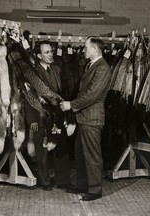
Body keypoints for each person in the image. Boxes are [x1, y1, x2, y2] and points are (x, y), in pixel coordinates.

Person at [59, 37, 111, 201]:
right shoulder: (91, 65)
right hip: (84, 118)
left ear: (95, 48)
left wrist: (71, 105)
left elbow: (92, 95)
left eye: (86, 47)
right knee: (80, 154)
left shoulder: (102, 68)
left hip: (91, 118)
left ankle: (95, 190)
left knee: (92, 155)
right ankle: (82, 184)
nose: (84, 50)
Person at [25, 40, 70, 191]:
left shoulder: (57, 69)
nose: (51, 54)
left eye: (51, 51)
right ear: (38, 55)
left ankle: (63, 179)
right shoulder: (32, 73)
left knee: (60, 147)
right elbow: (28, 96)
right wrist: (31, 119)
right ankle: (44, 181)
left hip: (57, 116)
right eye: (46, 52)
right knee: (42, 151)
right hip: (41, 116)